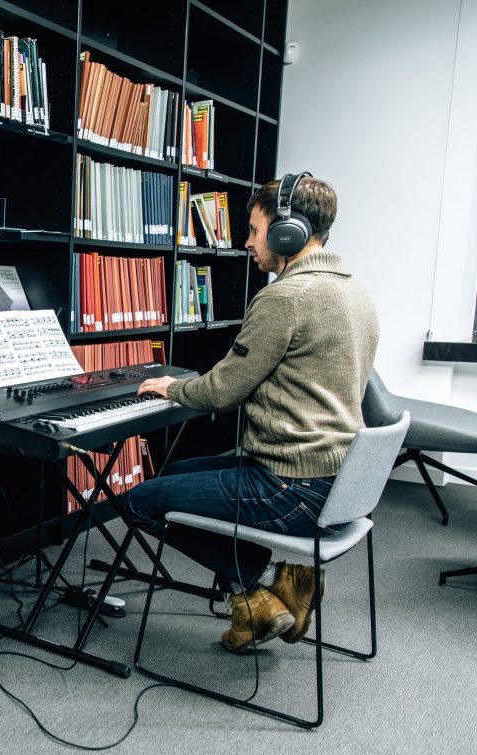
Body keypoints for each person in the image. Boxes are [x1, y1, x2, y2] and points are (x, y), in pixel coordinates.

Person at [124, 174, 379, 652]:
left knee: (142, 501)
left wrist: (171, 387)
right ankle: (254, 604)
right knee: (178, 472)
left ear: (289, 233)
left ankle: (270, 585)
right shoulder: (355, 292)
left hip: (291, 486)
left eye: (255, 231)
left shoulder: (286, 297)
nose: (246, 242)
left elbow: (223, 389)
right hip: (339, 480)